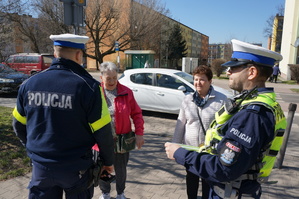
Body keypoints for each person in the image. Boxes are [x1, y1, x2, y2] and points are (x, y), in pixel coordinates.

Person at [165, 39, 287, 199]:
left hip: (231, 191)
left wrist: (180, 153)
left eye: (234, 67)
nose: (228, 72)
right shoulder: (258, 103)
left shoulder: (253, 114)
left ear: (251, 72)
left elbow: (223, 169)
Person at [12, 33, 115, 199]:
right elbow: (103, 132)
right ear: (78, 55)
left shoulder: (29, 84)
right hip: (77, 169)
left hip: (41, 168)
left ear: (55, 54)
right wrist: (108, 162)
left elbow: (18, 124)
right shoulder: (90, 88)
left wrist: (32, 149)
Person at [172, 65, 228, 199]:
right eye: (196, 79)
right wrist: (175, 146)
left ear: (210, 81)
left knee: (208, 182)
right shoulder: (188, 99)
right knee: (191, 180)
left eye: (202, 80)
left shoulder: (221, 100)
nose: (198, 83)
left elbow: (225, 127)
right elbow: (181, 124)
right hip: (190, 149)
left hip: (209, 151)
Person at [92, 62, 144, 199]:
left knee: (120, 170)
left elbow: (137, 114)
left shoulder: (126, 92)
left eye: (114, 78)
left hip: (122, 140)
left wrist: (139, 133)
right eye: (108, 78)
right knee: (103, 167)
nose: (112, 81)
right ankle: (105, 193)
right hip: (101, 140)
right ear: (101, 77)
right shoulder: (95, 93)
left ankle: (121, 193)